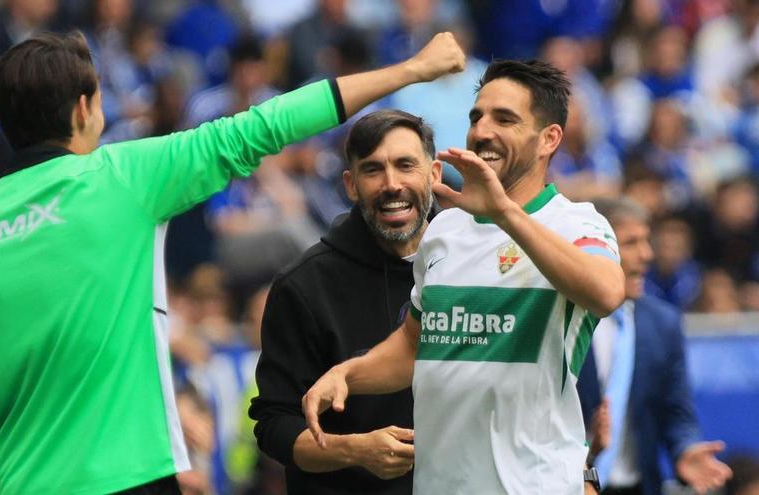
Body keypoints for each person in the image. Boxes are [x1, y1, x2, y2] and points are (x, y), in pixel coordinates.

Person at [0, 30, 465, 495]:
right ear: (84, 108)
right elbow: (266, 125)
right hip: (134, 478)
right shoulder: (125, 177)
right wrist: (412, 69)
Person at [302, 59, 627, 494]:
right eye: (477, 116)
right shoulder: (445, 230)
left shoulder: (576, 224)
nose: (482, 130)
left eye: (505, 119)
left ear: (549, 139)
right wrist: (348, 374)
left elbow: (607, 292)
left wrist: (505, 214)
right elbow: (416, 343)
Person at [250, 109, 442, 494]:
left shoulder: (474, 266)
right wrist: (352, 451)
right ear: (351, 185)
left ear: (434, 174)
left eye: (406, 165)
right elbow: (275, 425)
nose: (392, 184)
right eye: (373, 170)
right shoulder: (304, 286)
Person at [578, 198, 733, 495]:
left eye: (647, 240)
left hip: (639, 487)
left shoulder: (663, 323)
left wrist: (685, 449)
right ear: (596, 248)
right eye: (631, 242)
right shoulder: (562, 320)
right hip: (571, 485)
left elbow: (677, 411)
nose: (647, 254)